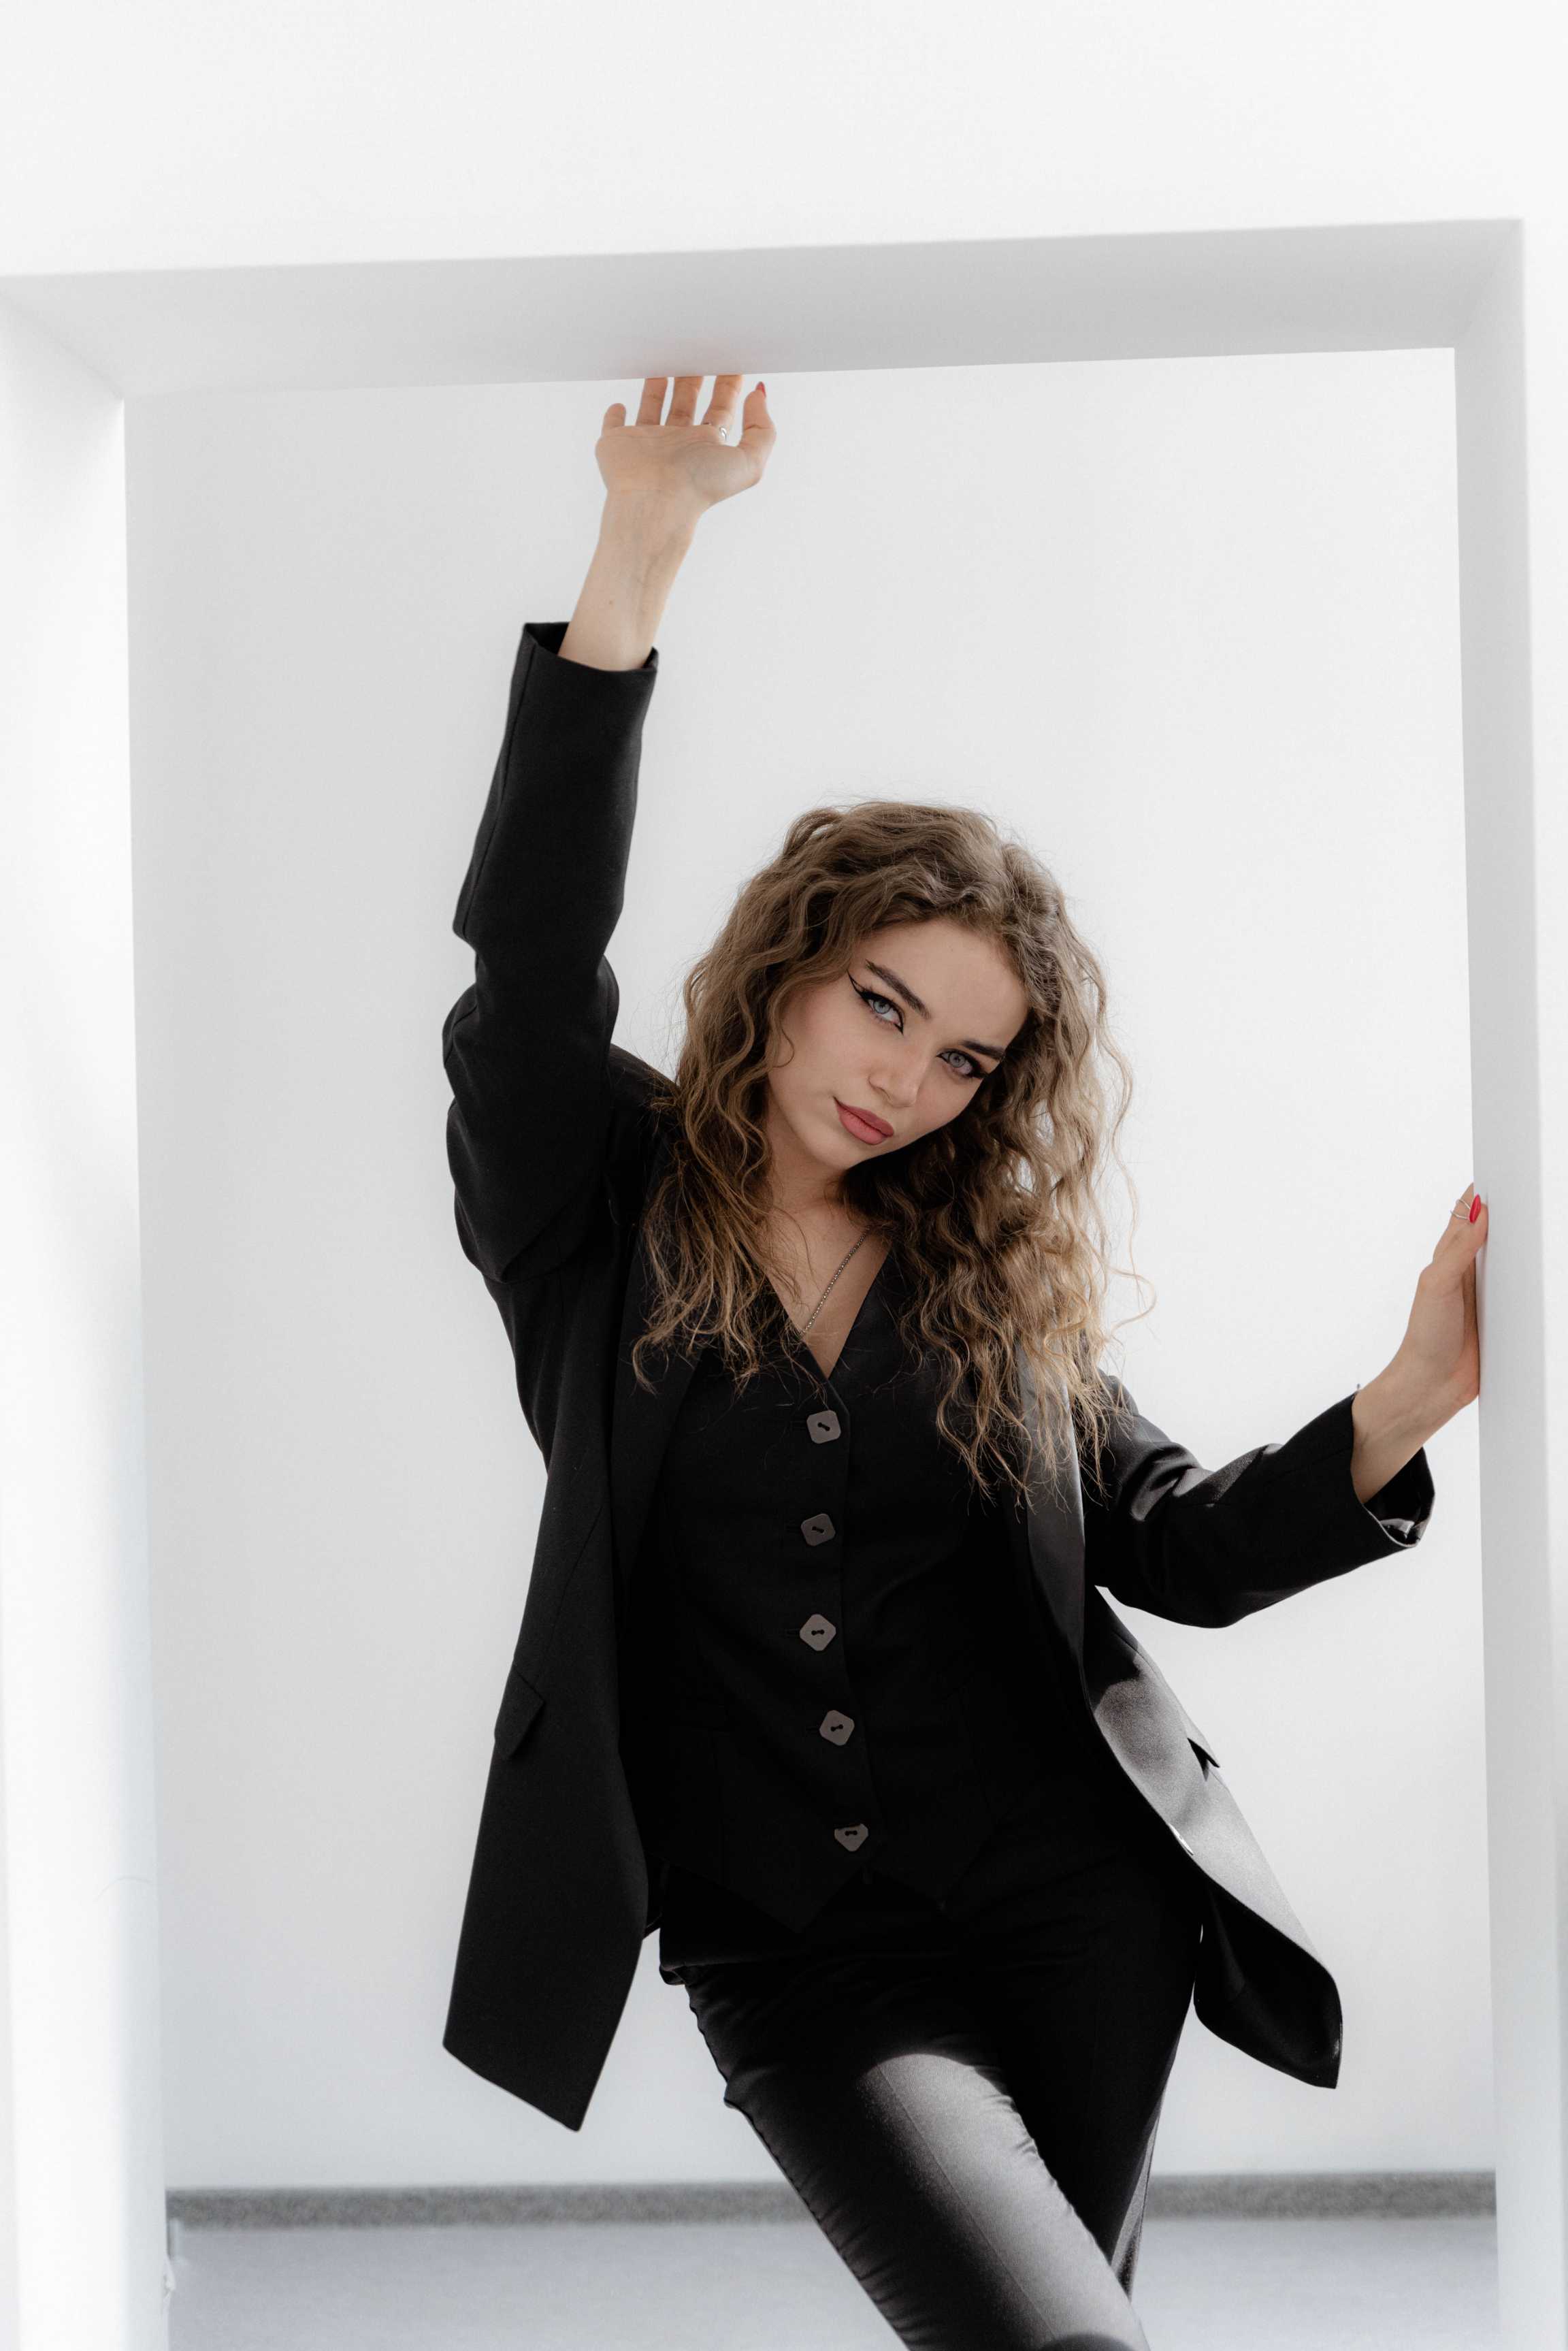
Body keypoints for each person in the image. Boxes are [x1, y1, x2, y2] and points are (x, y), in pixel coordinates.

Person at [440, 373, 1482, 2351]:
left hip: (1079, 1913)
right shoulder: (591, 1199)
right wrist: (642, 547)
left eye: (964, 1058)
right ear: (792, 964)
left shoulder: (983, 1285)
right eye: (882, 1005)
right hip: (796, 1952)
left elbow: (1173, 1542)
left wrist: (1412, 1396)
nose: (905, 1080)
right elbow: (530, 962)